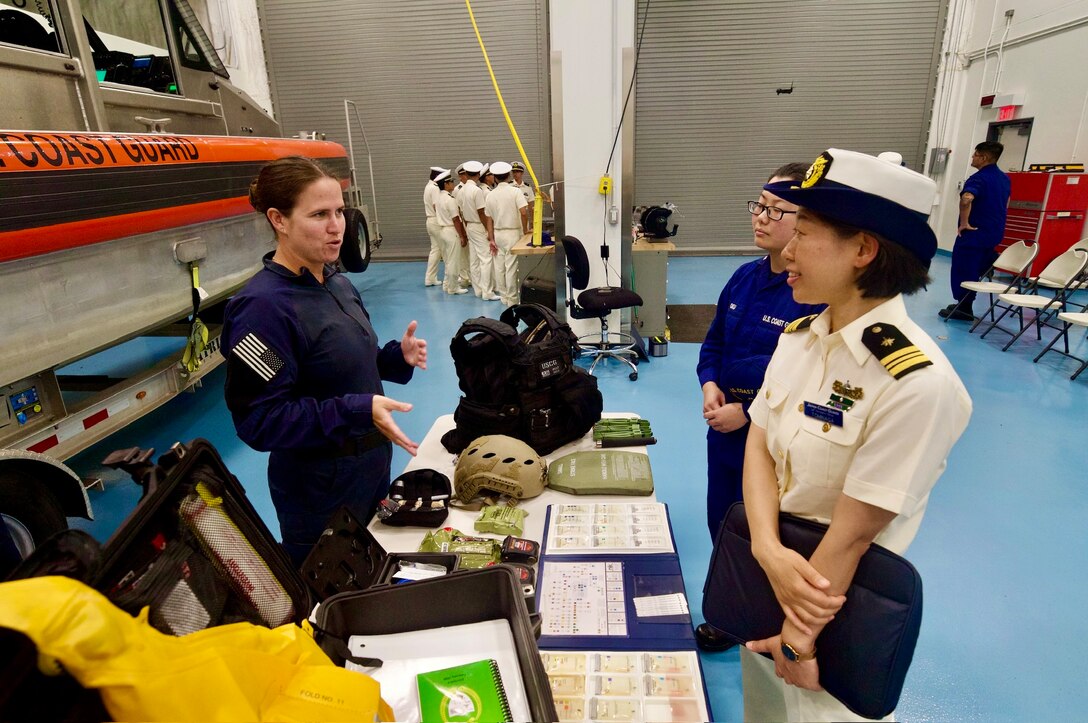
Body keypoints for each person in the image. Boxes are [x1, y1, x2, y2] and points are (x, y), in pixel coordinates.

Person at [732, 149, 972, 721]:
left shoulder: (916, 384)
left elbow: (851, 536)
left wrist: (797, 642)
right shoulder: (801, 336)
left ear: (863, 250)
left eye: (805, 231)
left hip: (828, 618)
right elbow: (759, 445)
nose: (785, 249)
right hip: (771, 582)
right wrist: (766, 550)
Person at [222, 156, 428, 567]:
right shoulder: (262, 309)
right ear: (279, 219)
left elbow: (344, 362)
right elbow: (260, 421)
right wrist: (357, 409)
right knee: (330, 605)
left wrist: (393, 358)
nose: (337, 227)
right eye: (319, 215)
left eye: (339, 211)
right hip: (319, 491)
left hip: (369, 471)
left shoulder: (336, 282)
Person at [939, 141, 1010, 321]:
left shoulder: (978, 178)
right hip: (994, 232)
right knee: (978, 267)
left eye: (975, 154)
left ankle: (964, 307)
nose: (972, 157)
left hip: (974, 233)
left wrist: (964, 222)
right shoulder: (1004, 179)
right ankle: (967, 302)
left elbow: (967, 198)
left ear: (984, 157)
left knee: (965, 268)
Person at [484, 161, 529, 306]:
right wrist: (525, 229)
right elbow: (523, 213)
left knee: (499, 266)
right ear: (509, 175)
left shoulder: (490, 195)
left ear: (495, 178)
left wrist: (491, 238)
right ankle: (512, 299)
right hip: (512, 233)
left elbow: (488, 219)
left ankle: (503, 296)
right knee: (511, 267)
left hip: (498, 233)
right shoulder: (515, 191)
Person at [457, 160, 498, 300]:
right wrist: (489, 231)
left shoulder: (462, 190)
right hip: (478, 226)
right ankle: (487, 292)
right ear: (478, 174)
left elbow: (461, 212)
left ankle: (478, 290)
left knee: (474, 260)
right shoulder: (477, 190)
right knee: (486, 259)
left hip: (469, 225)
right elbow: (481, 212)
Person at [434, 170, 469, 295]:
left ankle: (447, 284)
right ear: (446, 184)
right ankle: (453, 287)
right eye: (450, 182)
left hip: (442, 230)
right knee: (454, 261)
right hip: (451, 230)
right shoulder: (450, 199)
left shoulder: (438, 198)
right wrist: (462, 236)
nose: (452, 184)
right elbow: (456, 219)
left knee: (448, 260)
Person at [423, 166, 447, 287]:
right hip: (436, 221)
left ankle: (430, 278)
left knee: (435, 250)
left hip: (429, 221)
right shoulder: (435, 189)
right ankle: (450, 280)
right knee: (445, 249)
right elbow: (436, 206)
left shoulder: (428, 187)